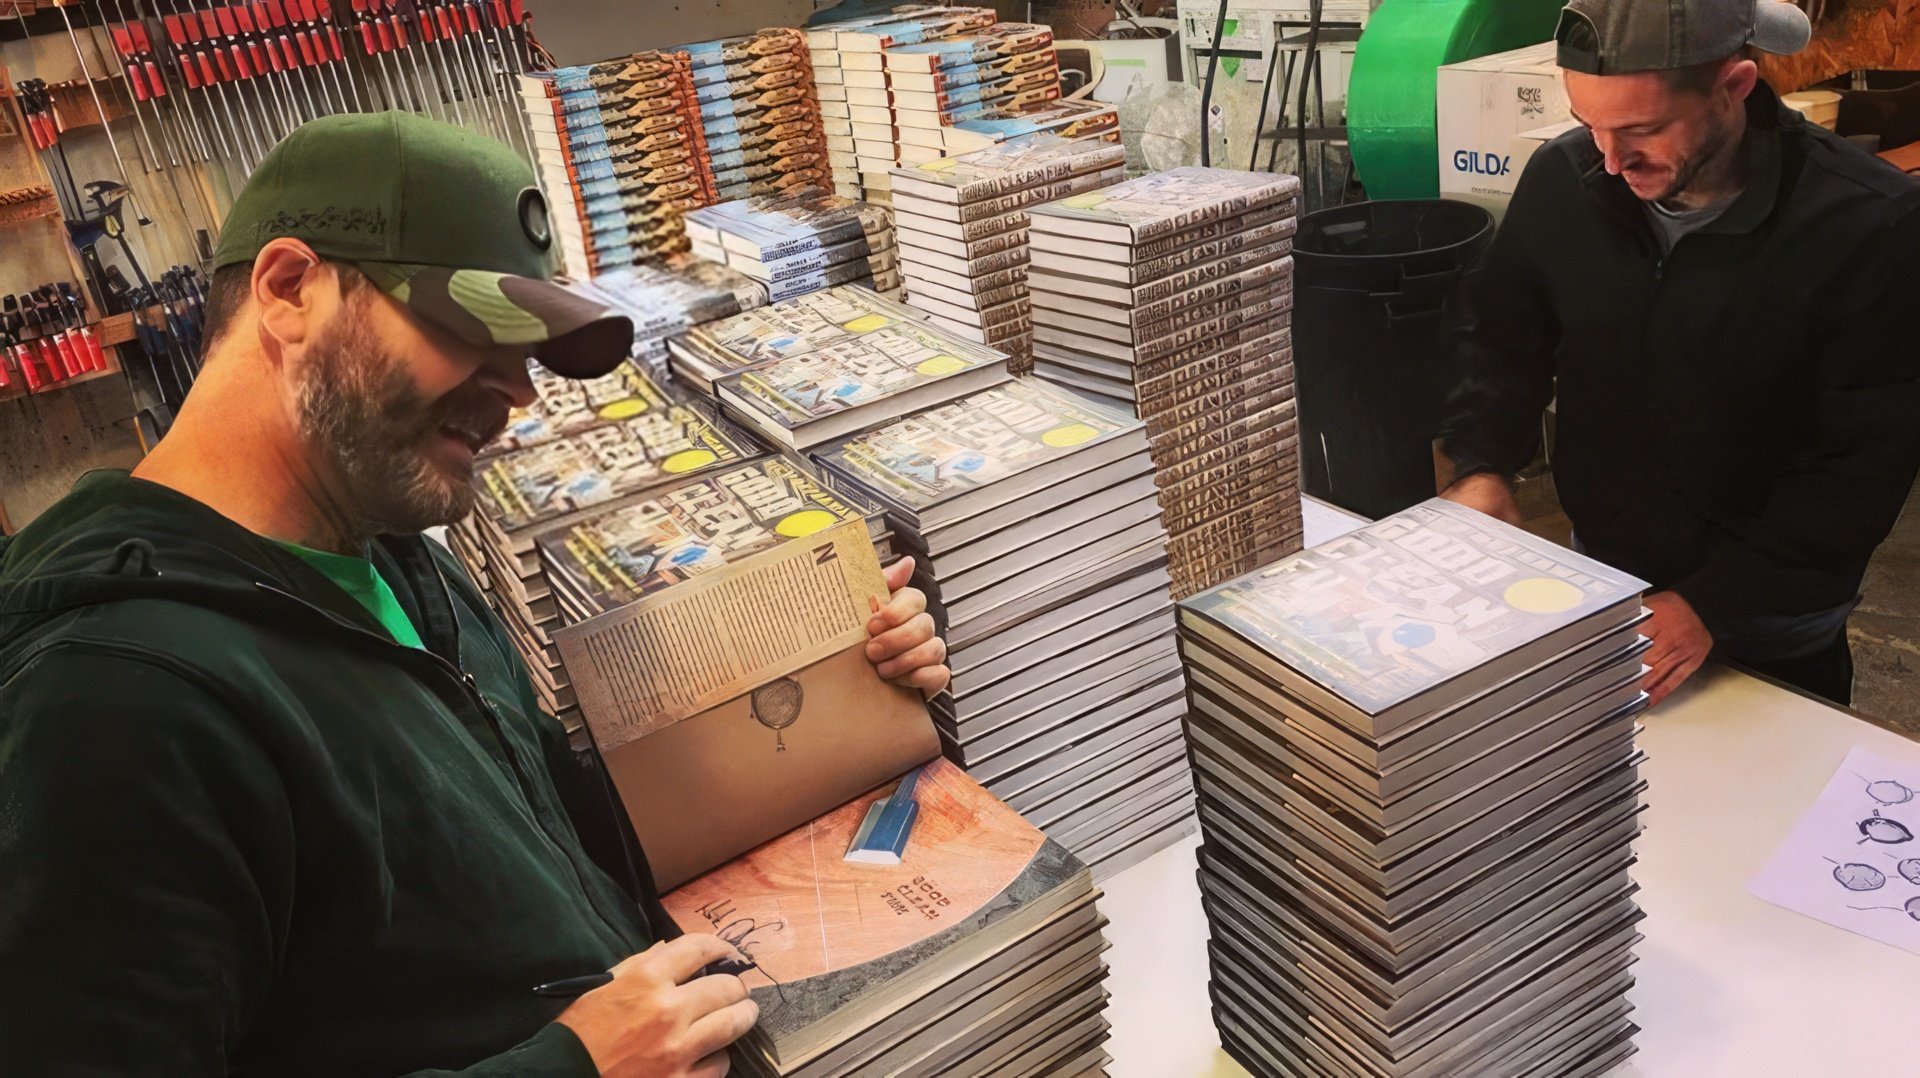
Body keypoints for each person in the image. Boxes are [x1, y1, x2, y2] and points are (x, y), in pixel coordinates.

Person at [0, 113, 951, 1076]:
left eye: (529, 346)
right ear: (290, 289)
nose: (516, 390)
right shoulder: (112, 699)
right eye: (471, 329)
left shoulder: (391, 556)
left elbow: (535, 838)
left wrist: (845, 684)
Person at [1438, 0, 1920, 707]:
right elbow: (1501, 337)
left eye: (1643, 129)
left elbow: (1862, 464)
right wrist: (1482, 464)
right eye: (1589, 125)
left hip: (1772, 621)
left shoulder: (1867, 227)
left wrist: (1712, 604)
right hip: (1605, 577)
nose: (1608, 160)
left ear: (1736, 85)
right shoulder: (1567, 182)